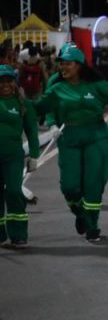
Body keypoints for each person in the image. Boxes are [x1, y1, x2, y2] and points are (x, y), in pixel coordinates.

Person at [32, 43, 108, 242]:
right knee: (70, 186)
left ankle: (93, 226)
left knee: (93, 184)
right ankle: (80, 214)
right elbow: (39, 107)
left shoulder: (96, 84)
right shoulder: (57, 88)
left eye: (68, 64)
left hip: (96, 136)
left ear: (80, 65)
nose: (63, 67)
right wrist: (50, 124)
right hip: (70, 137)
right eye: (61, 64)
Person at [0, 65, 39, 250]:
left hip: (13, 157)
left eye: (8, 80)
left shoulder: (24, 105)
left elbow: (32, 132)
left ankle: (19, 235)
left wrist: (34, 156)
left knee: (14, 191)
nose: (5, 84)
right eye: (1, 81)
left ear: (14, 83)